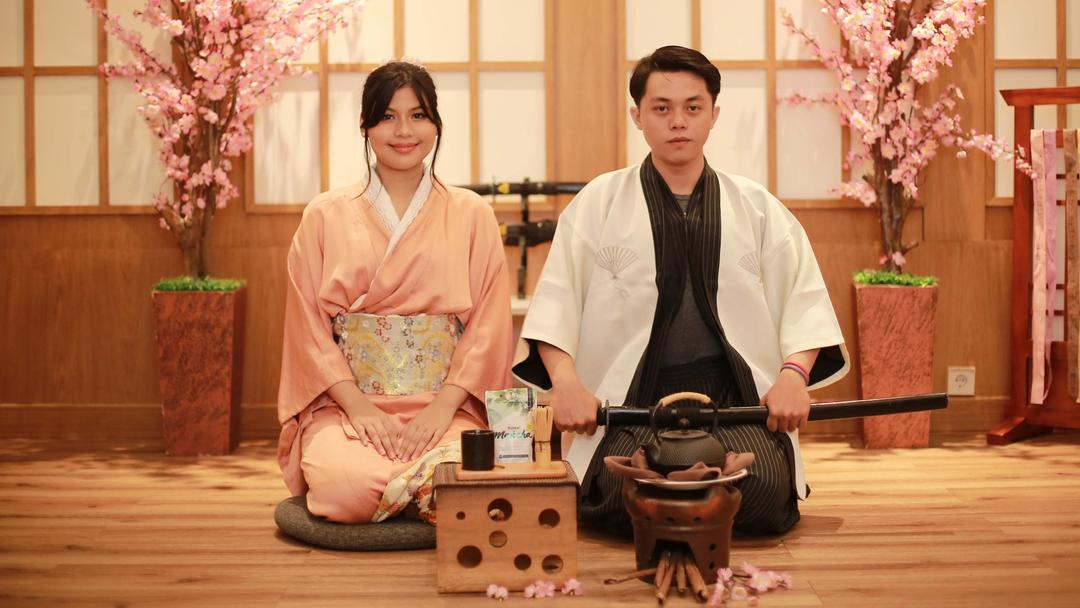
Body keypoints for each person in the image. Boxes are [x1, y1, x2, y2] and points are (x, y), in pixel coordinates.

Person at [513, 46, 849, 536]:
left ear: (714, 114)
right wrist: (565, 384)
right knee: (615, 492)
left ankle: (679, 500)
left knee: (761, 491)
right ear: (637, 116)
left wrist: (793, 377)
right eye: (661, 108)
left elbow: (805, 301)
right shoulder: (597, 204)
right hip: (632, 403)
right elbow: (555, 304)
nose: (678, 121)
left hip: (735, 403)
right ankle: (695, 499)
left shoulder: (757, 207)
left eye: (693, 107)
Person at [277, 60, 513, 525]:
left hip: (446, 405)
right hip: (347, 405)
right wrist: (358, 407)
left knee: (464, 471)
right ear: (365, 126)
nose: (404, 131)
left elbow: (488, 327)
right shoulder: (324, 214)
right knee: (346, 487)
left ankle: (411, 490)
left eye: (418, 115)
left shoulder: (472, 213)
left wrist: (442, 409)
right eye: (387, 116)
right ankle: (414, 494)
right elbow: (307, 330)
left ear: (436, 124)